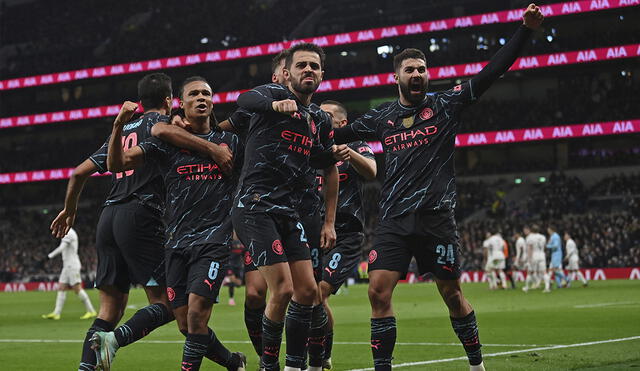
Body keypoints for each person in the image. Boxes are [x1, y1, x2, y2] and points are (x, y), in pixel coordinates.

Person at [331, 5, 544, 370]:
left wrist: (524, 31)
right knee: (377, 291)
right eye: (410, 70)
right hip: (394, 221)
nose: (417, 74)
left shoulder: (447, 105)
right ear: (396, 76)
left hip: (436, 220)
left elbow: (492, 72)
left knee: (452, 294)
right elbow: (336, 133)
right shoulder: (382, 117)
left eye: (422, 69)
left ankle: (476, 364)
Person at [50, 72, 234, 371]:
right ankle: (117, 342)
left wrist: (70, 210)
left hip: (108, 218)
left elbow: (77, 172)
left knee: (109, 310)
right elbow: (172, 134)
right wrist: (209, 144)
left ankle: (87, 367)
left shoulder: (124, 131)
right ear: (169, 101)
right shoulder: (165, 126)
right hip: (142, 215)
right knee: (170, 304)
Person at [102, 76, 246, 371]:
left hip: (213, 242)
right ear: (181, 103)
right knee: (184, 323)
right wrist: (118, 126)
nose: (201, 97)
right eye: (194, 94)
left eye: (207, 93)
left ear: (213, 101)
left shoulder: (230, 143)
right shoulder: (165, 144)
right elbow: (116, 165)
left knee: (196, 317)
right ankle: (233, 363)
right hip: (176, 245)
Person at [232, 43, 338, 371]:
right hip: (255, 206)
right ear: (288, 72)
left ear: (322, 75)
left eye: (314, 66)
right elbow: (243, 99)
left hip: (289, 211)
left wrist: (338, 154)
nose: (309, 70)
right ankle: (269, 365)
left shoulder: (319, 118)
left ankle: (296, 366)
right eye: (302, 65)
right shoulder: (272, 94)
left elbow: (322, 159)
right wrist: (275, 103)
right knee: (283, 289)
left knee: (307, 292)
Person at [317, 100, 377, 370]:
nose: (320, 117)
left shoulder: (356, 145)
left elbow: (372, 171)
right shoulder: (311, 148)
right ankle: (320, 352)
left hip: (346, 233)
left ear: (342, 123)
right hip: (313, 232)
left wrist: (348, 153)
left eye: (326, 115)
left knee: (318, 293)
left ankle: (321, 353)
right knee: (309, 297)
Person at [41, 227, 96, 320]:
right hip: (67, 266)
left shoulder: (69, 233)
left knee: (77, 288)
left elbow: (62, 248)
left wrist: (48, 257)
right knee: (61, 287)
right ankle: (56, 313)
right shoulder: (67, 232)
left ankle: (91, 311)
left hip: (72, 265)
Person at [522, 225, 550, 293]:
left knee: (530, 272)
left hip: (534, 255)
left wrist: (529, 259)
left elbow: (530, 248)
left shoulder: (529, 237)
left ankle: (527, 287)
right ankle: (547, 288)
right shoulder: (543, 237)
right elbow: (544, 246)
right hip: (542, 255)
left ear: (531, 230)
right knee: (544, 272)